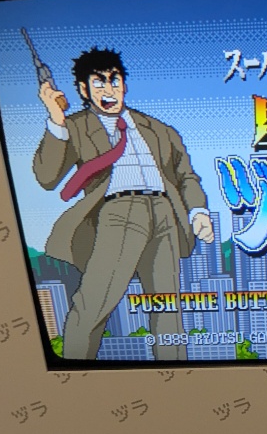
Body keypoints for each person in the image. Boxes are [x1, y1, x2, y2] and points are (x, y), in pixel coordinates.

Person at [33, 47, 213, 360]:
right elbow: (47, 177)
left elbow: (186, 175)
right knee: (95, 301)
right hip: (118, 213)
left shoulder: (158, 129)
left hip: (165, 213)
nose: (109, 89)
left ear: (124, 85)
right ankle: (75, 372)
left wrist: (198, 211)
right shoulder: (74, 127)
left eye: (114, 80)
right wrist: (56, 120)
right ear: (83, 90)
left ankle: (177, 375)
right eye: (99, 82)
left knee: (167, 310)